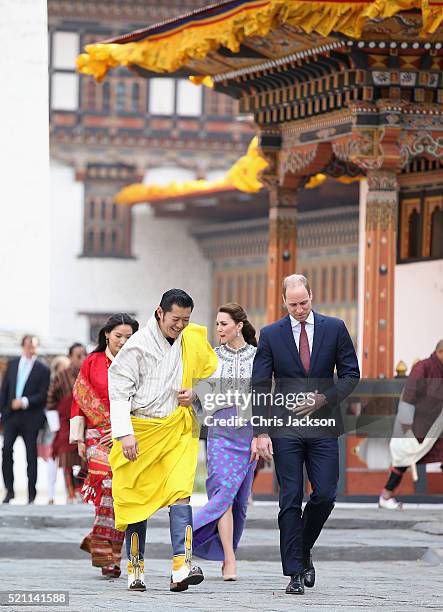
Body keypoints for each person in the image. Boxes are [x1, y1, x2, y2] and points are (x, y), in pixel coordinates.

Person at [251, 274, 360, 595]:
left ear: (312, 296)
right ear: (284, 301)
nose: (299, 309)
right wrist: (261, 431)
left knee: (326, 494)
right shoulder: (270, 335)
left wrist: (325, 397)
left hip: (324, 424)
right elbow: (259, 385)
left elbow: (351, 374)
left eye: (304, 302)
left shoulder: (334, 328)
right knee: (289, 498)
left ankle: (302, 547)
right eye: (293, 304)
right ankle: (294, 572)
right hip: (285, 428)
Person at [108, 289, 218, 593]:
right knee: (136, 503)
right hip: (140, 432)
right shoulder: (137, 346)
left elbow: (212, 375)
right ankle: (135, 567)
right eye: (175, 319)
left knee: (182, 493)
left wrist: (195, 393)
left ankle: (181, 566)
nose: (180, 325)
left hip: (176, 429)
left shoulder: (193, 339)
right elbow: (118, 390)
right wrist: (125, 433)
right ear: (159, 313)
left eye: (186, 319)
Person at [70, 314, 139, 578]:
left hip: (126, 433)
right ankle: (107, 550)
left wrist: (122, 429)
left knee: (119, 492)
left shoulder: (138, 362)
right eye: (118, 336)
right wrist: (78, 438)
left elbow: (142, 400)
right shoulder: (92, 361)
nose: (122, 341)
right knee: (108, 483)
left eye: (128, 337)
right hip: (95, 434)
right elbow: (80, 399)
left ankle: (110, 553)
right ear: (107, 335)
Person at [193, 303, 257, 581]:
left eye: (224, 324)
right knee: (224, 496)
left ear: (239, 326)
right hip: (220, 433)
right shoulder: (211, 358)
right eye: (217, 324)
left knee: (240, 502)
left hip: (248, 434)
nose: (218, 329)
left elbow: (267, 398)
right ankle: (228, 559)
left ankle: (225, 553)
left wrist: (260, 435)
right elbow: (200, 397)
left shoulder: (258, 357)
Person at [379, 340, 443, 509]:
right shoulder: (423, 367)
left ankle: (386, 496)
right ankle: (386, 496)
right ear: (440, 352)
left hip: (437, 425)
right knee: (403, 458)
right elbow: (409, 394)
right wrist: (406, 425)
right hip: (416, 425)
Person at [1, 335, 50, 504]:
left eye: (34, 346)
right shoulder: (12, 364)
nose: (31, 348)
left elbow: (43, 395)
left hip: (31, 417)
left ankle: (31, 494)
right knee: (6, 450)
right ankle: (9, 491)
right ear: (23, 346)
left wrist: (23, 402)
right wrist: (3, 412)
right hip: (11, 417)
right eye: (28, 345)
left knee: (31, 456)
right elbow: (5, 389)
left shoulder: (42, 368)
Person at [47, 344, 86, 503]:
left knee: (85, 458)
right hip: (65, 423)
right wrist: (55, 426)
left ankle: (82, 489)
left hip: (86, 422)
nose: (82, 359)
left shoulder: (88, 374)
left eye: (84, 355)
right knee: (65, 457)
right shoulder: (61, 376)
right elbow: (50, 399)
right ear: (70, 357)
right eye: (78, 355)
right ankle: (70, 492)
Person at [39, 355, 71, 505]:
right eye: (60, 368)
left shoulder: (72, 382)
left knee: (67, 462)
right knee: (52, 460)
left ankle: (68, 493)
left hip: (68, 426)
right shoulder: (52, 385)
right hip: (52, 427)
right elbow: (49, 404)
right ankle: (51, 494)